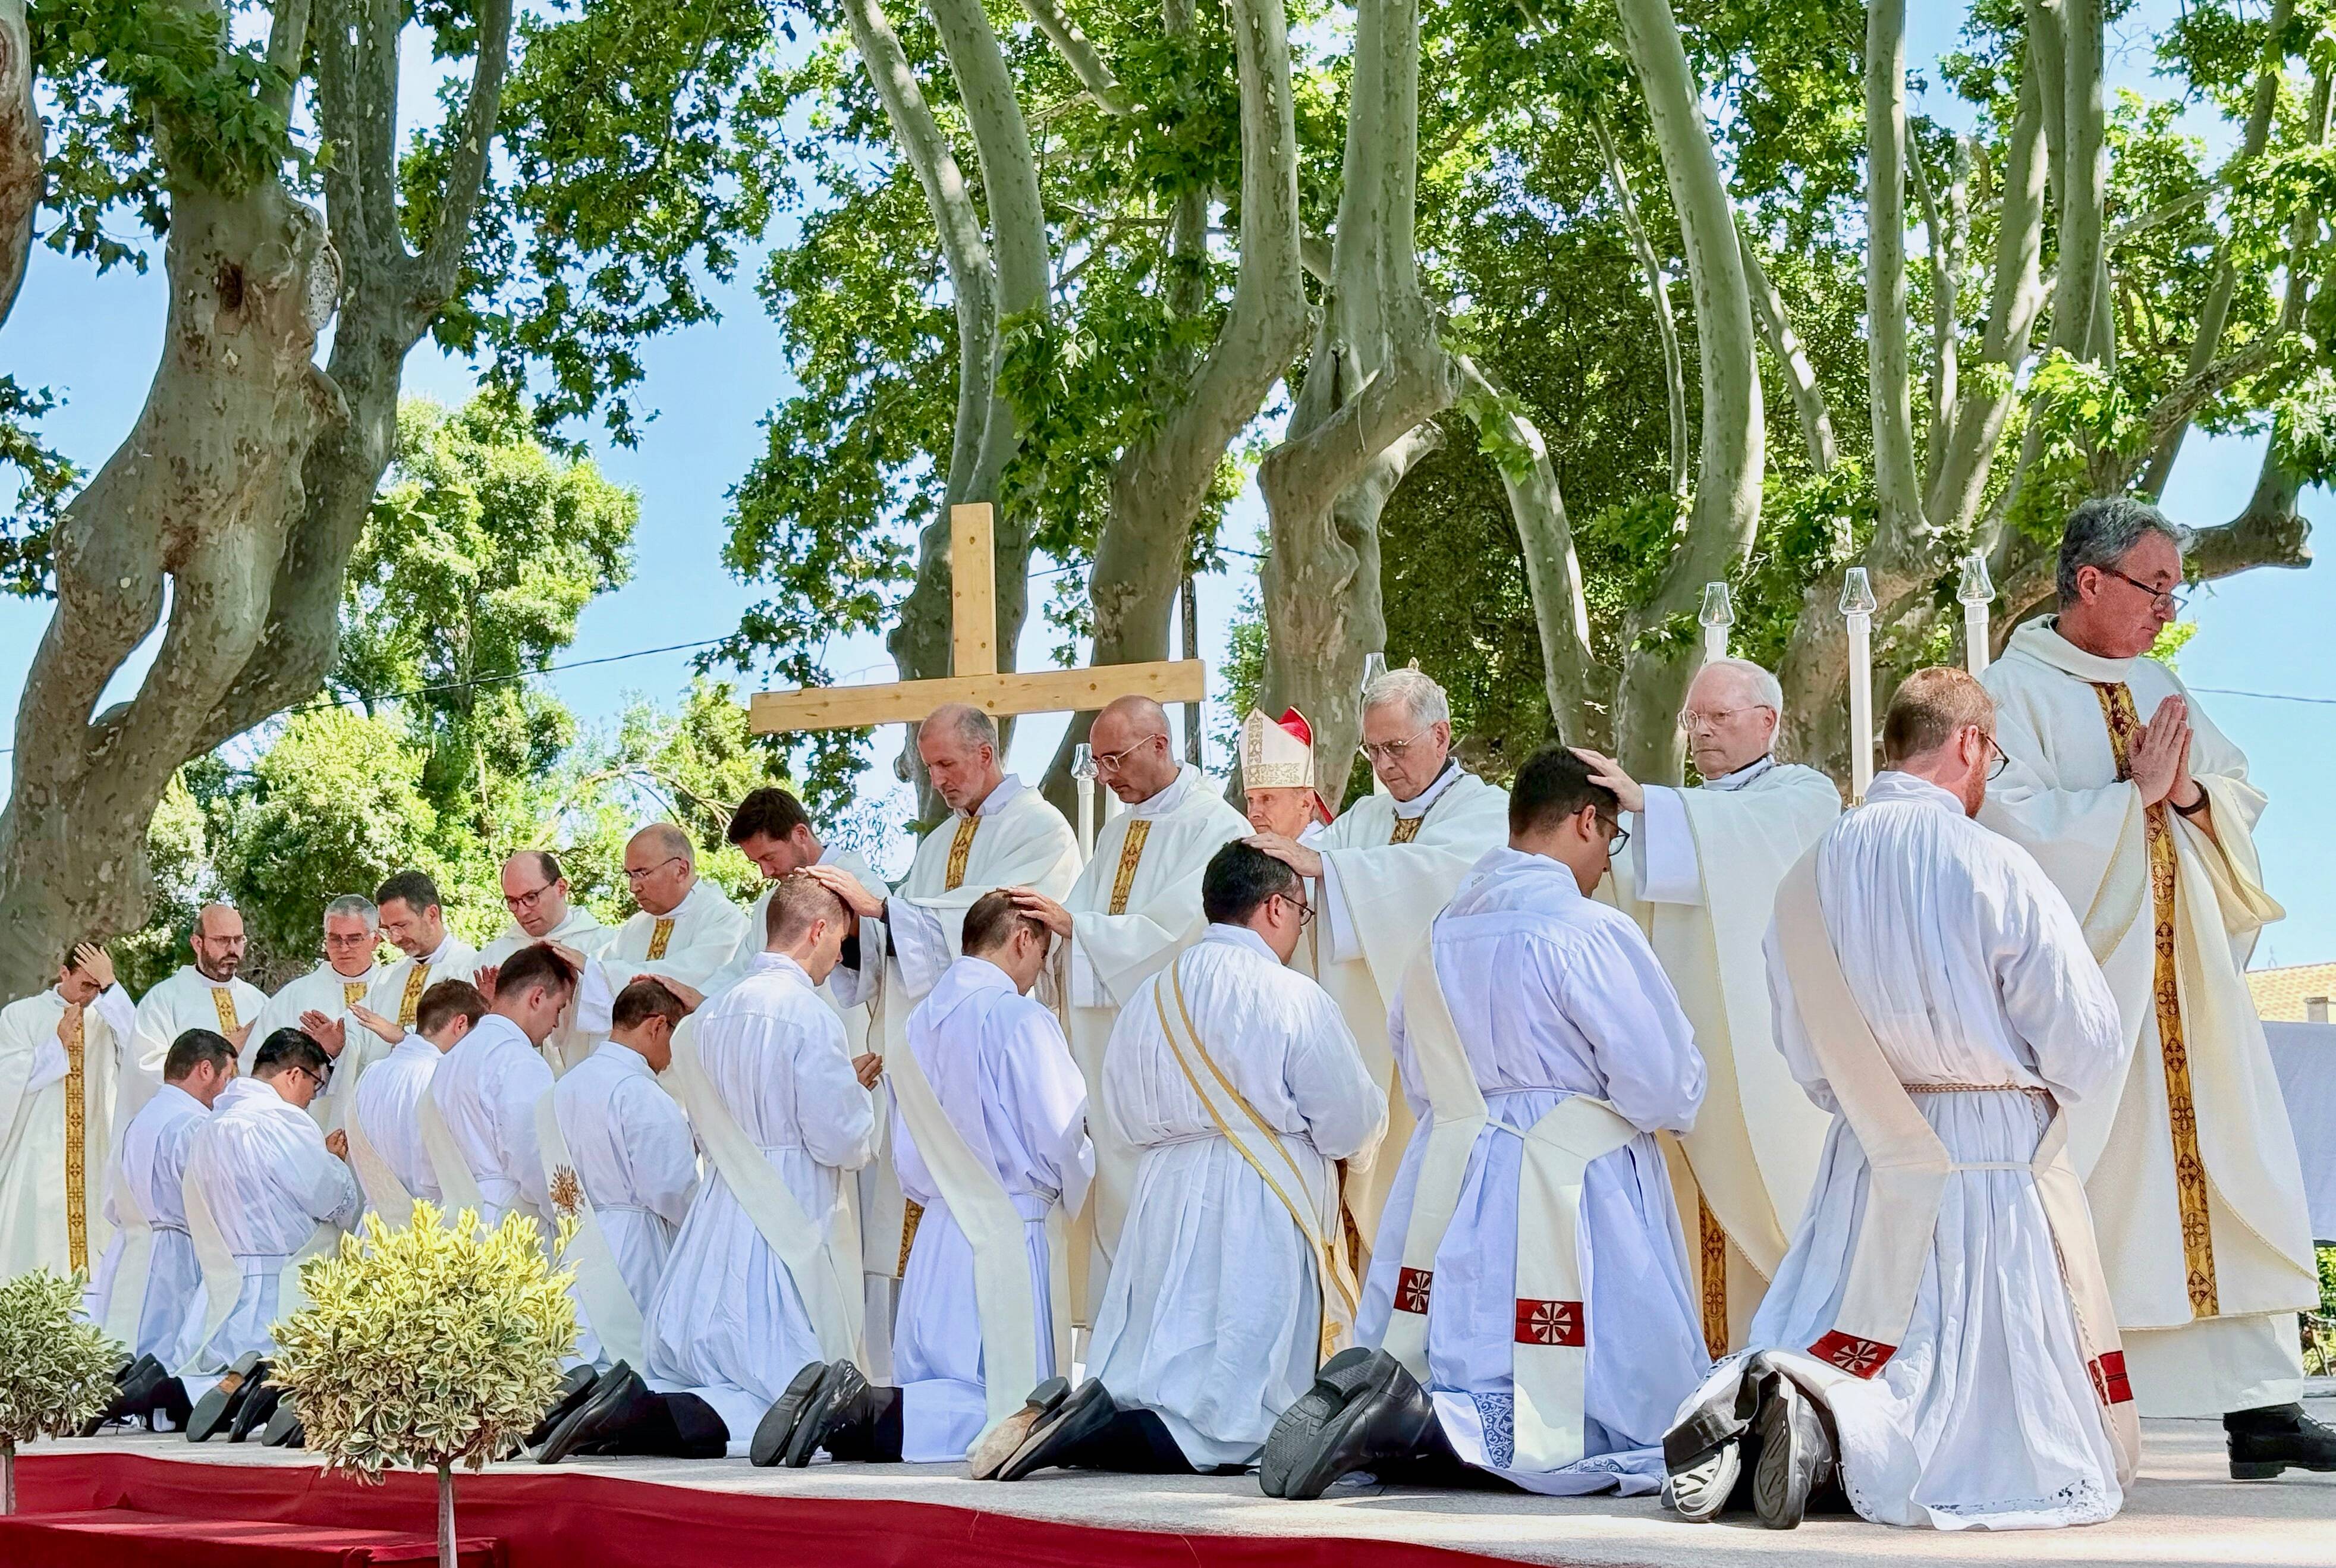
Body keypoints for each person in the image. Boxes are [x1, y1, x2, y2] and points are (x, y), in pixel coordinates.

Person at [1664, 668, 2137, 1531]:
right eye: (1989, 753)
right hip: (1985, 1155)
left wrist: (1862, 1097)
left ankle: (1790, 1408)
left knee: (1848, 1324)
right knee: (1973, 1395)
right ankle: (1845, 1430)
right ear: (1967, 745)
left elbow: (1800, 1042)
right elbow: (2083, 1035)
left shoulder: (1808, 875)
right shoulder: (1994, 860)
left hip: (1870, 1145)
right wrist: (2038, 1093)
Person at [1979, 498, 2328, 1473]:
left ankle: (2259, 1409)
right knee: (2102, 1187)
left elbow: (2232, 788)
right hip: (2094, 992)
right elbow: (2002, 831)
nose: (2167, 608)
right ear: (2088, 581)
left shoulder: (2157, 680)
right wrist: (2121, 802)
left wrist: (2182, 793)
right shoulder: (2010, 692)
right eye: (2154, 585)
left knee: (2233, 1166)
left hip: (2192, 986)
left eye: (2173, 587)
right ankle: (2071, 1397)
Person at [1265, 746, 1708, 1500]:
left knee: (1463, 1343)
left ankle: (1415, 1414)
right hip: (1569, 1173)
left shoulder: (1438, 933)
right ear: (1584, 821)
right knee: (1598, 1405)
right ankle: (1442, 1430)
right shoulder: (1585, 929)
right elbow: (1660, 1082)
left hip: (1456, 1163)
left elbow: (1411, 1057)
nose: (1605, 863)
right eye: (1608, 841)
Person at [991, 841, 1386, 1481]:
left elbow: (1115, 1110)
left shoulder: (1148, 997)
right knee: (1234, 1399)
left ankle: (1095, 1422)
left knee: (1160, 1354)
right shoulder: (1290, 995)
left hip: (1162, 1192)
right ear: (1277, 907)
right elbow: (1346, 1118)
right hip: (1258, 1194)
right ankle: (1108, 1436)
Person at [543, 875, 875, 1463]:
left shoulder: (705, 1020)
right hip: (786, 1205)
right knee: (780, 1379)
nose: (836, 960)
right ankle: (632, 1414)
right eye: (838, 943)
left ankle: (630, 1413)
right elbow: (837, 1136)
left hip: (720, 1213)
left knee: (720, 1367)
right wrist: (857, 1099)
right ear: (818, 930)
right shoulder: (806, 1014)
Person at [770, 890, 1091, 1469]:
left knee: (940, 1379)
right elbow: (1059, 1130)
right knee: (1005, 1402)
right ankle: (850, 1411)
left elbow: (908, 1156)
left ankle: (850, 1413)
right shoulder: (1020, 1017)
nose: (1035, 977)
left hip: (938, 1228)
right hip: (1008, 1227)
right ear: (1023, 939)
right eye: (1040, 959)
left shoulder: (915, 1026)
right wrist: (1077, 1181)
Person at [1576, 658, 1840, 1355]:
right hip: (1674, 1046)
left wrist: (1649, 806)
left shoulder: (1802, 794)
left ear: (1767, 722)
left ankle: (1781, 1356)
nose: (1701, 734)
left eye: (1719, 718)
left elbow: (1753, 843)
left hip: (1762, 1050)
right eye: (1694, 720)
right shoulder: (1674, 815)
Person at [809, 702, 1080, 1342]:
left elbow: (998, 924)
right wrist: (858, 930)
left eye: (946, 764)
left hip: (993, 1052)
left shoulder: (1040, 830)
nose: (937, 780)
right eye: (928, 768)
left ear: (986, 754)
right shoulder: (936, 843)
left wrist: (886, 910)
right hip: (932, 1054)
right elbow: (904, 943)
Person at [1246, 668, 1509, 1248]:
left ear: (1440, 737)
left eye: (1396, 747)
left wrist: (1333, 871)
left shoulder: (1486, 812)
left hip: (1453, 1051)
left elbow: (1451, 878)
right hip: (1369, 1044)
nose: (1385, 765)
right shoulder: (1366, 818)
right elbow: (1310, 871)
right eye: (1372, 751)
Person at [1010, 695, 1250, 1324]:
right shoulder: (1118, 830)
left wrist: (1078, 929)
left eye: (1116, 759)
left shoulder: (1215, 828)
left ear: (1161, 746)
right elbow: (1080, 926)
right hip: (1101, 1052)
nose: (1108, 775)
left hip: (1170, 1058)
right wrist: (1054, 936)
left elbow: (1179, 936)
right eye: (1101, 763)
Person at [175, 1028, 360, 1440]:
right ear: (295, 1075)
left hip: (227, 1283)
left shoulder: (211, 1125)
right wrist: (333, 1163)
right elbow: (327, 1198)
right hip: (283, 1281)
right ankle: (270, 1390)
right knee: (298, 1363)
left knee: (217, 1365)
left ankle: (231, 1384)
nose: (312, 1098)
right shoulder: (283, 1122)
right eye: (315, 1085)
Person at [81, 1027, 236, 1433]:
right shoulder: (193, 1124)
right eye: (227, 1076)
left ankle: (125, 1402)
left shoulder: (140, 1119)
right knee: (169, 1346)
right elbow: (211, 1195)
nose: (227, 1089)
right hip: (177, 1249)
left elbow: (110, 1198)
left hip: (133, 1243)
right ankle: (155, 1407)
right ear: (206, 1069)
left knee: (131, 1337)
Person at [542, 977, 698, 1367]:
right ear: (657, 1026)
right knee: (630, 1363)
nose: (672, 1056)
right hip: (634, 1245)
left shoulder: (565, 1086)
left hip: (575, 1238)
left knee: (577, 1356)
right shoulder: (641, 1092)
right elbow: (670, 1187)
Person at [0, 942, 136, 1287]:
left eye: (98, 987)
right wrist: (55, 1045)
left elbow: (139, 1049)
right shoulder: (22, 1014)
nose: (91, 995)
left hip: (94, 1151)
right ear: (64, 973)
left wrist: (112, 987)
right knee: (40, 1238)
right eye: (86, 984)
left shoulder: (107, 1019)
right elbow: (9, 1078)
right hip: (38, 1149)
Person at [423, 944, 574, 1228]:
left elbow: (428, 1161)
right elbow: (532, 1156)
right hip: (511, 1222)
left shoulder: (451, 1058)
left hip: (455, 1220)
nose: (556, 1023)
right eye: (559, 1009)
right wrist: (571, 1217)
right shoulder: (519, 1059)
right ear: (538, 998)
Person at [345, 980, 486, 1217]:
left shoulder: (370, 1074)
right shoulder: (444, 1078)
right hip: (430, 1226)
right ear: (461, 1024)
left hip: (375, 1228)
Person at [250, 894, 383, 1128]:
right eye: (335, 939)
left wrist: (342, 1050)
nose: (344, 948)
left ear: (376, 940)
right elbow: (259, 1068)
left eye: (354, 939)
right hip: (313, 1125)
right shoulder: (294, 996)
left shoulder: (392, 987)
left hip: (381, 1118)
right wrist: (325, 1056)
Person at [477, 852, 615, 1074]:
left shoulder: (606, 946)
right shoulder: (492, 957)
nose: (521, 911)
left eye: (531, 897)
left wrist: (591, 978)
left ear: (561, 887)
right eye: (512, 902)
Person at [125, 904, 266, 1121]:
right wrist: (218, 1051)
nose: (232, 949)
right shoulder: (164, 999)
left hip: (249, 1129)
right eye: (222, 940)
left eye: (238, 940)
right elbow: (146, 1067)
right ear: (197, 943)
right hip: (188, 1131)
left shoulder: (259, 1002)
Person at [595, 824, 749, 1000]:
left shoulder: (725, 920)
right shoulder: (636, 924)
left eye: (642, 873)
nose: (633, 887)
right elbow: (598, 972)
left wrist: (603, 973)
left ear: (681, 871)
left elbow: (685, 983)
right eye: (630, 875)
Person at [1242, 706, 1337, 844]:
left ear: (1305, 804)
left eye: (1267, 799)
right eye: (1250, 800)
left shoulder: (1325, 857)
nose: (1253, 814)